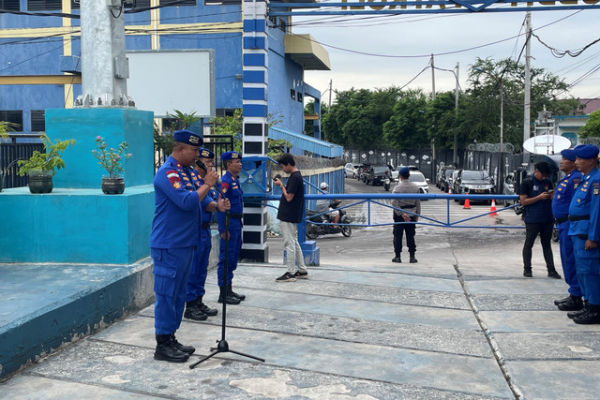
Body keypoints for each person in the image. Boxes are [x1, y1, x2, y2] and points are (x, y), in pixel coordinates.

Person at [149, 129, 218, 363]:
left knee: (179, 294)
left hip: (186, 243)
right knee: (167, 294)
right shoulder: (167, 173)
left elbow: (203, 201)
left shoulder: (187, 172)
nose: (197, 155)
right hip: (169, 244)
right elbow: (187, 201)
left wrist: (217, 205)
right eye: (194, 150)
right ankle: (162, 345)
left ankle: (171, 337)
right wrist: (207, 185)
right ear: (180, 149)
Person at [184, 147, 230, 321]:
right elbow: (195, 199)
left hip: (205, 229)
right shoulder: (193, 180)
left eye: (211, 162)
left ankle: (198, 300)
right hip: (194, 229)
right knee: (194, 268)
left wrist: (218, 206)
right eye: (208, 162)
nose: (210, 165)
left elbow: (208, 202)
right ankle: (190, 305)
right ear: (199, 161)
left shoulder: (205, 181)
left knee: (202, 268)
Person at [567, 144, 600, 324]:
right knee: (582, 271)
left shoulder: (596, 180)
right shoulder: (587, 179)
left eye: (580, 159)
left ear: (591, 160)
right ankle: (588, 305)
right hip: (577, 230)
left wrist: (593, 237)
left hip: (586, 232)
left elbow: (597, 211)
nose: (576, 162)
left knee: (590, 271)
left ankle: (595, 308)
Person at [552, 149, 583, 311]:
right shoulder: (568, 178)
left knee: (572, 259)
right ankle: (573, 293)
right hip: (562, 224)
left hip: (570, 224)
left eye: (564, 159)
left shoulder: (576, 179)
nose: (561, 162)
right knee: (566, 259)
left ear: (572, 162)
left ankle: (577, 295)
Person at [519, 162, 562, 279]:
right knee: (529, 243)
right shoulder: (527, 182)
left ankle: (551, 270)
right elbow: (523, 201)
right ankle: (527, 269)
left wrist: (552, 195)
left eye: (545, 175)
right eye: (542, 175)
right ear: (536, 171)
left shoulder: (548, 182)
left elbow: (553, 196)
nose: (544, 178)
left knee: (547, 244)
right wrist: (539, 197)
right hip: (532, 219)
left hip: (547, 218)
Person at [273, 154, 308, 282]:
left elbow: (288, 197)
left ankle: (291, 272)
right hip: (292, 215)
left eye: (282, 166)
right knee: (294, 242)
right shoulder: (297, 176)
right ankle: (302, 269)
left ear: (288, 164)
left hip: (288, 215)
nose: (282, 169)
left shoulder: (295, 178)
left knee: (289, 243)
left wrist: (281, 186)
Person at [216, 151, 246, 305]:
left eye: (240, 162)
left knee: (233, 257)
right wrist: (223, 229)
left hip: (236, 223)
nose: (240, 164)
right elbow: (221, 205)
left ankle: (229, 288)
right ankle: (223, 292)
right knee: (226, 258)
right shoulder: (225, 181)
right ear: (228, 164)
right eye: (236, 162)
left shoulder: (235, 180)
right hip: (229, 223)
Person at [391, 167, 420, 263]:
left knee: (397, 236)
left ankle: (398, 257)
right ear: (409, 175)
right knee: (411, 236)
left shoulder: (397, 188)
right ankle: (412, 257)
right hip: (411, 214)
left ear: (400, 176)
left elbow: (394, 203)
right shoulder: (415, 187)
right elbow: (417, 203)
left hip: (400, 216)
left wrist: (401, 213)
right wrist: (416, 216)